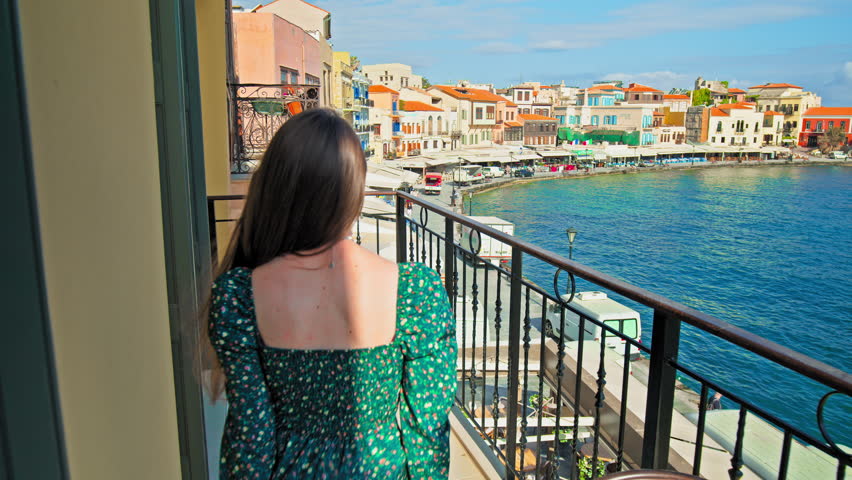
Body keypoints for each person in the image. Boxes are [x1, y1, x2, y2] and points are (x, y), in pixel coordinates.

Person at [202, 109, 456, 479]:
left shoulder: (240, 297)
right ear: (354, 192)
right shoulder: (415, 293)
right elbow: (427, 435)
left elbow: (251, 439)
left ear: (273, 188)